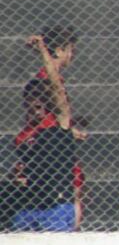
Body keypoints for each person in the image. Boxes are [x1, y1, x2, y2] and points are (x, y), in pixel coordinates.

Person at [9, 67, 78, 228]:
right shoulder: (23, 135)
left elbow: (58, 90)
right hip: (29, 203)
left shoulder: (56, 122)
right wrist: (17, 175)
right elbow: (22, 166)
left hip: (55, 203)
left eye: (41, 99)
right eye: (32, 99)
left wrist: (42, 49)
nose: (37, 103)